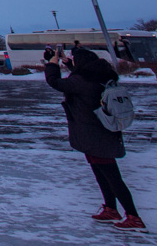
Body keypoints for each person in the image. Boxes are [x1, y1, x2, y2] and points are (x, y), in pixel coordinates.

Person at [46, 46, 145, 230]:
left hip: (94, 135)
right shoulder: (102, 76)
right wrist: (70, 65)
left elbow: (55, 82)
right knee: (102, 174)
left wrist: (53, 63)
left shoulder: (82, 81)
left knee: (112, 178)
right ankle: (111, 208)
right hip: (103, 132)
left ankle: (133, 216)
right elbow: (83, 80)